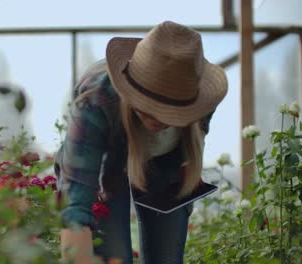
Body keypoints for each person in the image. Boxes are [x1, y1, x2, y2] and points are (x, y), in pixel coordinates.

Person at [54, 21, 228, 264]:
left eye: (172, 114)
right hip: (105, 163)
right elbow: (76, 206)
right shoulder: (97, 101)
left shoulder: (201, 99)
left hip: (165, 165)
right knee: (113, 256)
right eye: (150, 108)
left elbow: (198, 137)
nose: (159, 119)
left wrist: (188, 165)